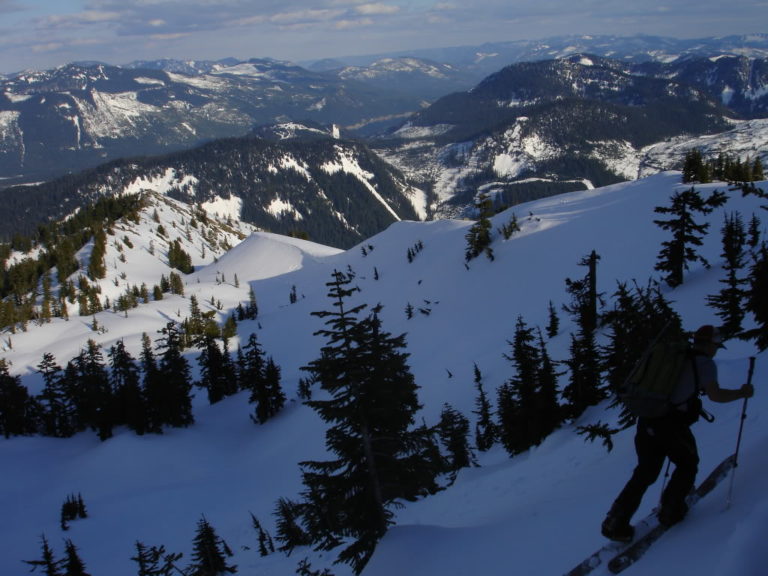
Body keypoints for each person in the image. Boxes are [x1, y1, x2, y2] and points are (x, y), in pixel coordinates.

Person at [601, 324, 754, 542]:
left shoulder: (675, 357)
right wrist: (742, 393)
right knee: (687, 464)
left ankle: (615, 521)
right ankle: (671, 510)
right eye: (716, 346)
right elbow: (716, 395)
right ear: (710, 344)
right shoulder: (704, 364)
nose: (716, 350)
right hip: (670, 424)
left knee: (645, 471)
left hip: (647, 420)